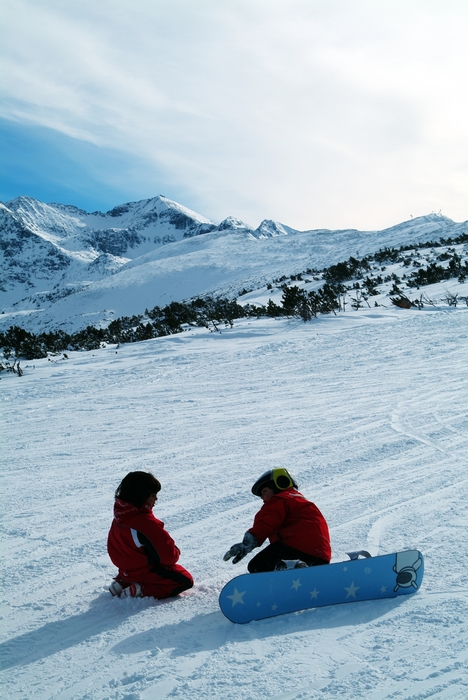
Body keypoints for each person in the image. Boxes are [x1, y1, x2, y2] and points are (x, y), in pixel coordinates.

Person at [223, 468, 331, 572]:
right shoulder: (301, 502)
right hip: (320, 555)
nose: (262, 497)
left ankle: (289, 569)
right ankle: (304, 574)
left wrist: (247, 543)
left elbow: (266, 522)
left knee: (258, 565)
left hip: (295, 548)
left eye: (264, 491)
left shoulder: (280, 499)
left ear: (279, 485)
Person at [107, 471, 193, 598]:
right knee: (185, 580)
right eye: (153, 495)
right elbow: (168, 556)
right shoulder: (145, 523)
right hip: (144, 571)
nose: (156, 499)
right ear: (140, 497)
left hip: (126, 568)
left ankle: (123, 582)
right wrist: (175, 551)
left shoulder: (121, 515)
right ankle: (141, 589)